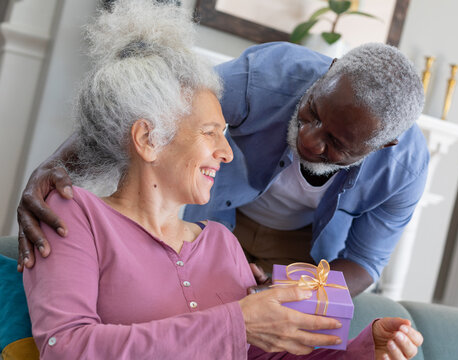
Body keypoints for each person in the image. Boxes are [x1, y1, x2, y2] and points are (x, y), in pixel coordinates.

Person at [22, 1, 423, 359]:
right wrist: (49, 171)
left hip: (304, 247)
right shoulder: (75, 216)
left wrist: (363, 353)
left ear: (383, 145)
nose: (309, 139)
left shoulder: (218, 244)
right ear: (149, 138)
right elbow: (67, 349)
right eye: (213, 132)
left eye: (335, 141)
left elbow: (268, 349)